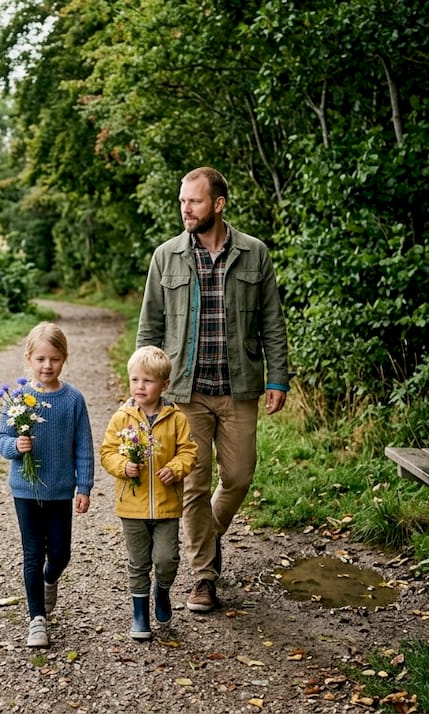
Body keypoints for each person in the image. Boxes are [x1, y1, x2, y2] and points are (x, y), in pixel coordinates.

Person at [136, 166, 291, 614]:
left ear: (218, 205)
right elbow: (150, 326)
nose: (186, 209)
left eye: (195, 202)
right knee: (194, 484)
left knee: (240, 476)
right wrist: (146, 384)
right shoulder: (166, 257)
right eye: (182, 201)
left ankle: (207, 533)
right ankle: (204, 576)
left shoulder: (254, 254)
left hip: (239, 385)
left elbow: (271, 322)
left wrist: (277, 377)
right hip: (185, 392)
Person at [0, 322, 94, 648]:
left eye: (54, 359)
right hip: (25, 487)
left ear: (64, 359)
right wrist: (15, 447)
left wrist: (84, 486)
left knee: (60, 553)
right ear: (29, 359)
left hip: (60, 489)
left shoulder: (73, 400)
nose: (47, 366)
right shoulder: (18, 398)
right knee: (33, 552)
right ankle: (37, 618)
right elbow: (1, 438)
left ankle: (50, 579)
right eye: (40, 359)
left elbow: (83, 445)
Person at [99, 346, 197, 639]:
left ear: (164, 385)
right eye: (135, 380)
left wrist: (176, 468)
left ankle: (163, 591)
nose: (140, 386)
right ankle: (140, 615)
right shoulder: (122, 417)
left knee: (167, 558)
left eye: (148, 381)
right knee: (138, 561)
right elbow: (107, 452)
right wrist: (123, 466)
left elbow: (189, 451)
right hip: (132, 505)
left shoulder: (176, 418)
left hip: (167, 504)